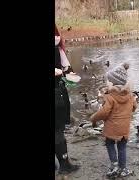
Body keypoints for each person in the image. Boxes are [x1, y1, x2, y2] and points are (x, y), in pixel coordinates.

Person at [90, 63, 137, 177]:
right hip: (124, 128)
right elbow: (134, 107)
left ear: (112, 82)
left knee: (110, 143)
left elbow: (104, 112)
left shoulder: (110, 97)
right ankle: (123, 168)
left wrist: (93, 118)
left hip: (111, 128)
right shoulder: (130, 95)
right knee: (122, 147)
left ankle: (115, 165)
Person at [55, 24, 80, 174]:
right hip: (57, 94)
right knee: (58, 130)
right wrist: (64, 75)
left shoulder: (57, 47)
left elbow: (67, 71)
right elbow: (65, 71)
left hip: (59, 91)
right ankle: (65, 165)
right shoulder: (56, 47)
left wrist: (69, 75)